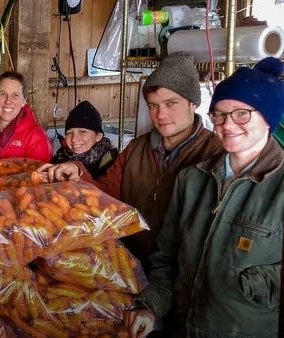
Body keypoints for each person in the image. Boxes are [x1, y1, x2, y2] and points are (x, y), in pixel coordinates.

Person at [125, 56, 284, 338]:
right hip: (181, 326)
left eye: (242, 113)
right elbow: (166, 259)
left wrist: (248, 284)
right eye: (220, 114)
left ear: (268, 117)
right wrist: (150, 308)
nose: (228, 123)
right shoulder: (192, 179)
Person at [38, 52, 223, 272]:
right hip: (130, 264)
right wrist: (78, 173)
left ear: (193, 103)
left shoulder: (214, 153)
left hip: (183, 276)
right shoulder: (137, 148)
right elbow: (107, 196)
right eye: (153, 106)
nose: (161, 114)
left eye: (171, 103)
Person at [0, 71, 53, 163]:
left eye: (15, 95)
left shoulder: (36, 137)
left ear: (24, 101)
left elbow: (40, 175)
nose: (8, 101)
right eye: (2, 94)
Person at [51, 100, 118, 179]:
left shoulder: (111, 163)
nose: (74, 139)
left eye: (82, 131)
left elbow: (108, 189)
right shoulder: (60, 158)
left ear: (98, 136)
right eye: (69, 133)